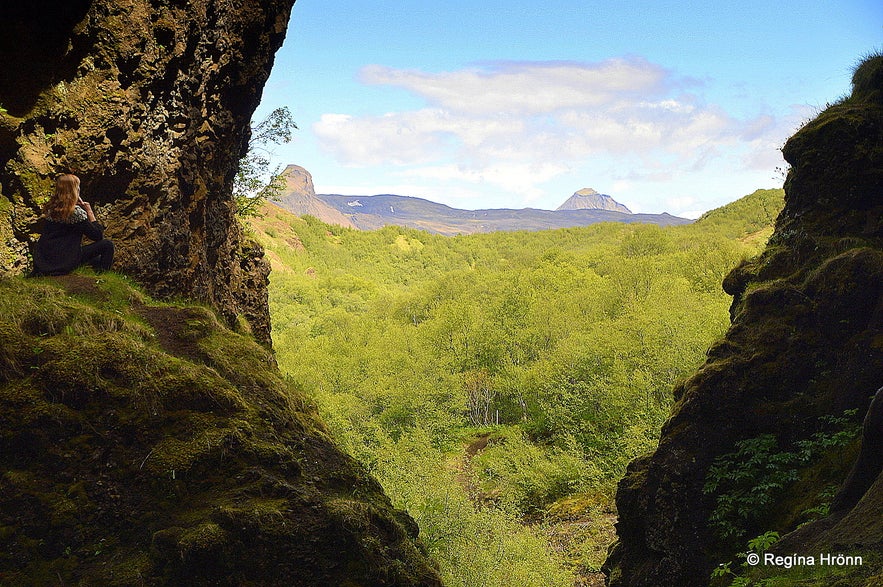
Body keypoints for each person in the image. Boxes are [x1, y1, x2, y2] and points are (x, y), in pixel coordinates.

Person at [31, 174, 114, 276]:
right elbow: (97, 236)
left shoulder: (50, 208)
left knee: (96, 260)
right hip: (64, 261)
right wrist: (89, 212)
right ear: (74, 190)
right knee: (107, 245)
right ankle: (103, 277)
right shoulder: (74, 212)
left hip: (45, 261)